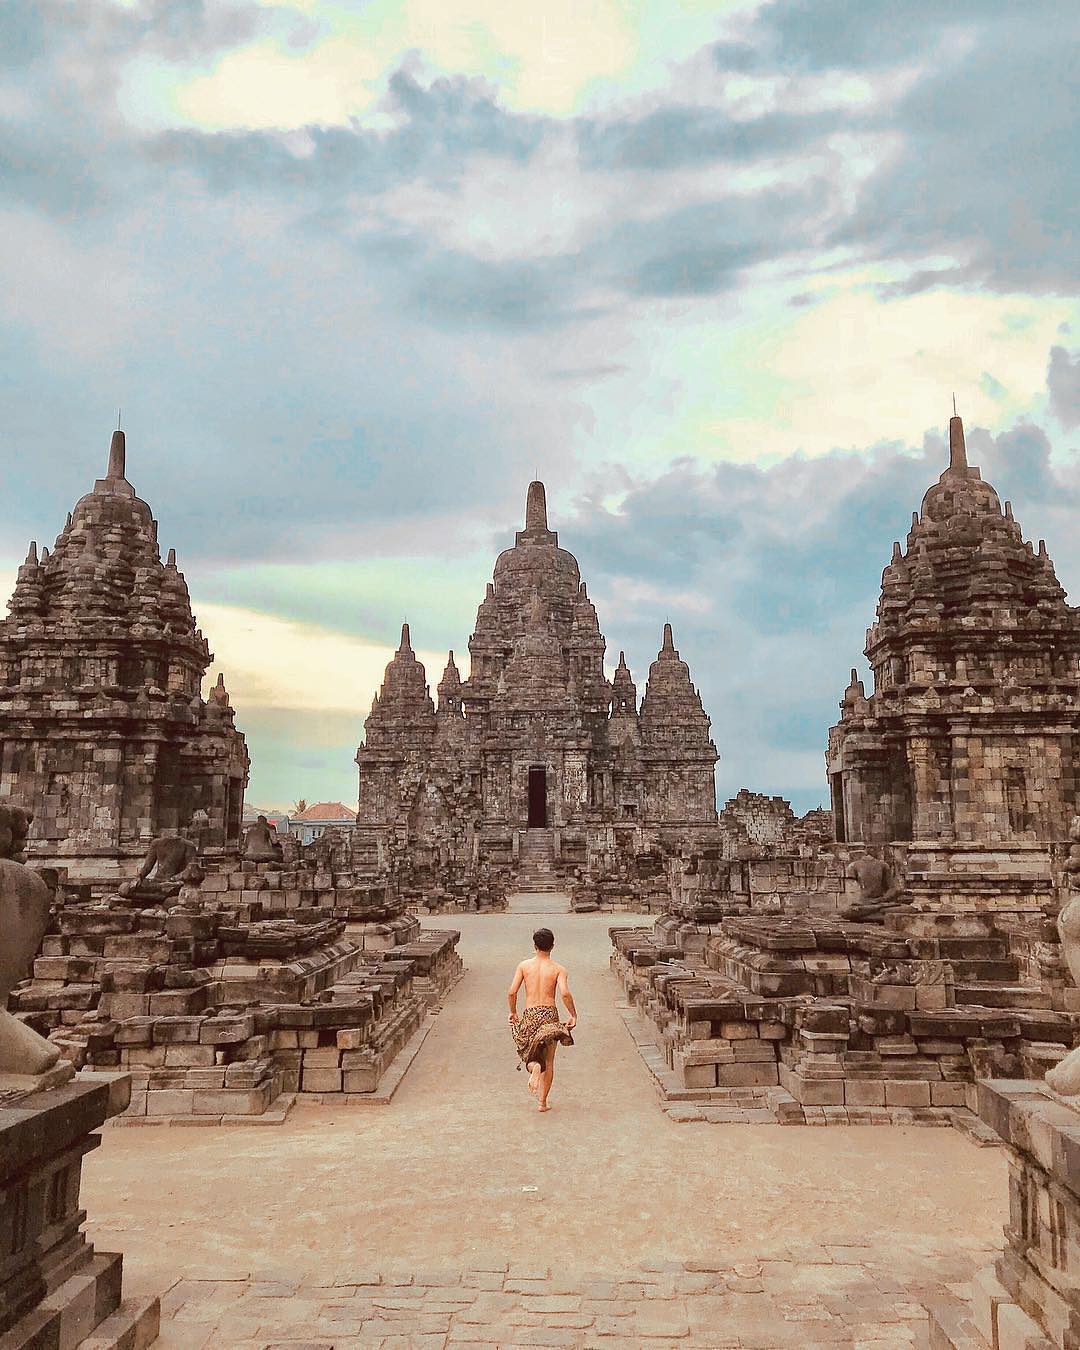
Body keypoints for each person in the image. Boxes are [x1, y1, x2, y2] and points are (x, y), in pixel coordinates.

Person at [507, 927, 576, 1112]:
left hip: (530, 1013)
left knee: (530, 1053)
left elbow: (512, 991)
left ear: (534, 946)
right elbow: (565, 993)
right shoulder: (558, 969)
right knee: (550, 1060)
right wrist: (573, 1014)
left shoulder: (524, 966)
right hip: (549, 1015)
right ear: (552, 946)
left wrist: (513, 1012)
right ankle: (542, 1102)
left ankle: (535, 1067)